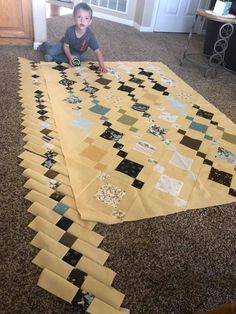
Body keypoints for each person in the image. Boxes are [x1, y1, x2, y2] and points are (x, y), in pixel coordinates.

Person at [40, 2, 107, 72]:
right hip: (64, 45)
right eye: (79, 17)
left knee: (77, 61)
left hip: (76, 52)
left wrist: (102, 66)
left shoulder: (90, 35)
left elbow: (97, 51)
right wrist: (69, 56)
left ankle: (52, 57)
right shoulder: (70, 31)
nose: (82, 20)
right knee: (51, 51)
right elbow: (65, 46)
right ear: (74, 18)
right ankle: (44, 45)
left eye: (86, 18)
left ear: (90, 22)